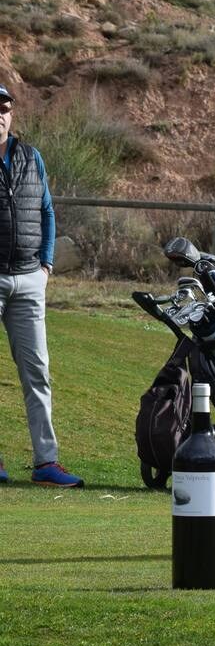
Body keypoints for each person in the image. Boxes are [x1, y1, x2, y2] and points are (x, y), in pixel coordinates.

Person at [0, 85, 83, 487]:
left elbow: (47, 210)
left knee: (38, 372)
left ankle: (45, 463)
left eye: (5, 108)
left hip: (29, 278)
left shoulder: (31, 157)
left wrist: (46, 265)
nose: (0, 115)